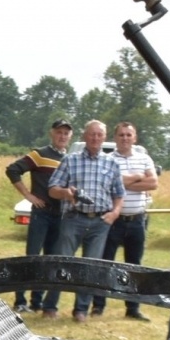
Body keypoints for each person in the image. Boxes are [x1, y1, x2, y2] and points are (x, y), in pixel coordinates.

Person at [45, 119, 125, 322]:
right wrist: (65, 193)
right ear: (84, 136)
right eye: (91, 134)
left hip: (100, 222)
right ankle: (50, 306)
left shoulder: (112, 163)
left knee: (91, 267)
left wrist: (115, 213)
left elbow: (119, 194)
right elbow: (52, 189)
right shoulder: (70, 160)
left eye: (99, 135)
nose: (95, 138)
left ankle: (81, 310)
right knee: (62, 262)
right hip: (73, 218)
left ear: (104, 137)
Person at [6, 118, 73, 315]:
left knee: (50, 260)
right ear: (52, 133)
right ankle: (20, 300)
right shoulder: (39, 154)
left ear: (70, 136)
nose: (62, 136)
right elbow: (13, 170)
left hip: (60, 215)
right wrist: (28, 196)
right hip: (41, 213)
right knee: (32, 257)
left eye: (66, 133)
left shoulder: (69, 159)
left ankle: (37, 302)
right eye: (59, 132)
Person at [91, 122, 158, 319]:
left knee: (134, 266)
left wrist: (122, 182)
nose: (125, 138)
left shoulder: (144, 158)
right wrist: (137, 177)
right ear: (115, 138)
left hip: (137, 220)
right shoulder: (107, 159)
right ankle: (98, 305)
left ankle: (133, 308)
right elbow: (107, 184)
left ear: (134, 138)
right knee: (105, 264)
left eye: (129, 135)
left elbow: (153, 183)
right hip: (113, 219)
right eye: (121, 135)